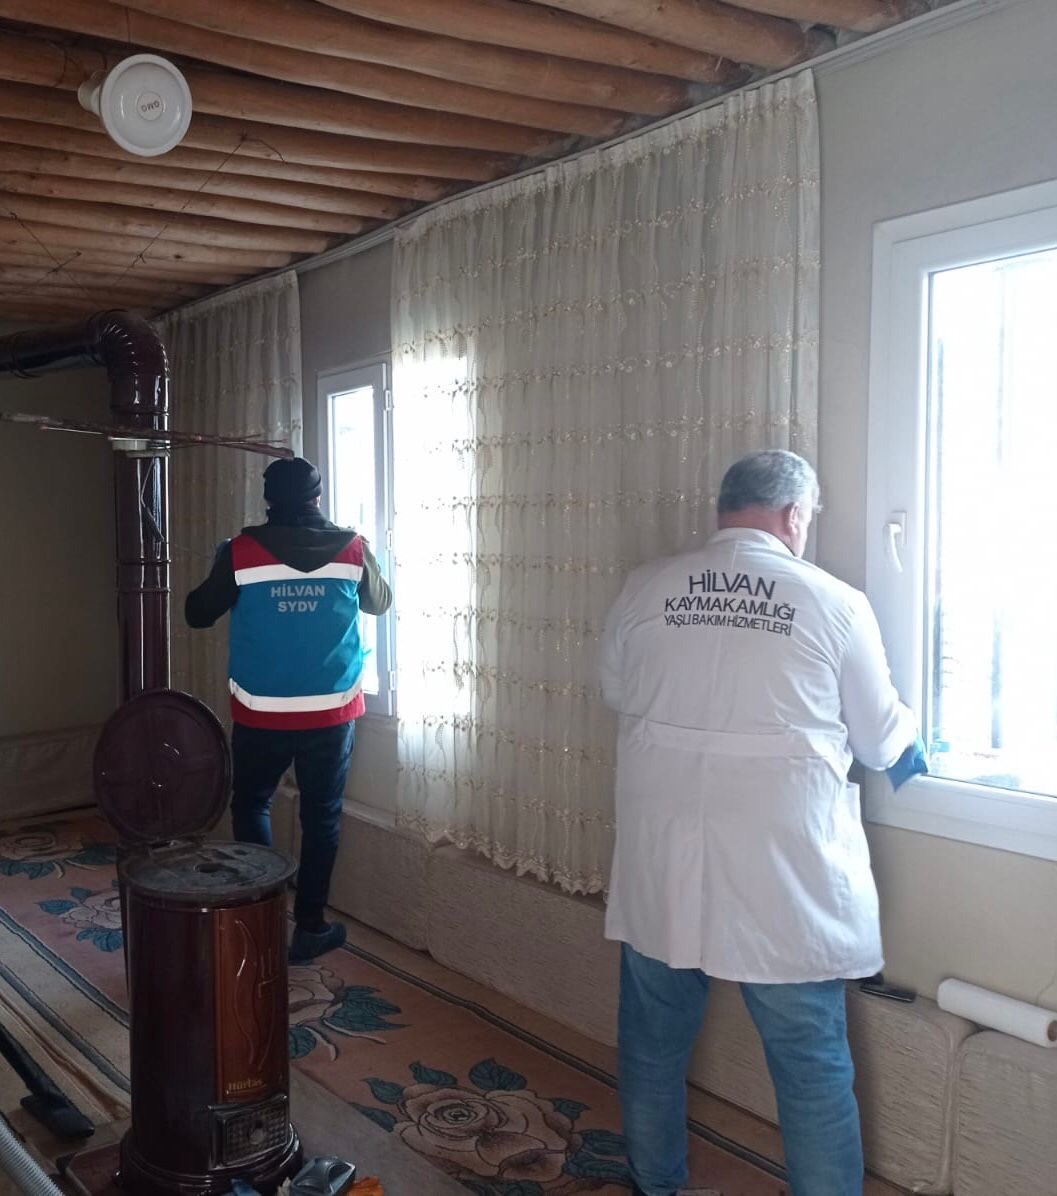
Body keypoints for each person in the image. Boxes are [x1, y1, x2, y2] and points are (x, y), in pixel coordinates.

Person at [598, 449, 918, 1196]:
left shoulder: (646, 586)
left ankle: (654, 1184)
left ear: (724, 507)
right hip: (782, 867)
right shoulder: (834, 602)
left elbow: (616, 691)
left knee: (652, 1044)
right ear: (795, 515)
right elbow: (880, 742)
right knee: (809, 1065)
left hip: (664, 848)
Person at [185, 456, 392, 964]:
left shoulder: (241, 552)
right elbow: (380, 603)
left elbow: (197, 613)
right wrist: (367, 556)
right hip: (331, 713)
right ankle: (311, 927)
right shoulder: (352, 547)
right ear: (318, 498)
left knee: (253, 804)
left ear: (268, 501)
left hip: (261, 713)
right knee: (322, 818)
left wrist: (221, 562)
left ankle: (262, 918)